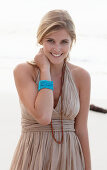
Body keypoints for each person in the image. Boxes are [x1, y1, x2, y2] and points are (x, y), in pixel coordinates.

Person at [10, 9, 91, 170]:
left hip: (70, 158)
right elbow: (44, 116)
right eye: (50, 40)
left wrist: (88, 167)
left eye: (64, 42)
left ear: (72, 42)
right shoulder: (23, 71)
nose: (57, 48)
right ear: (40, 40)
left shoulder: (81, 77)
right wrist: (45, 70)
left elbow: (81, 129)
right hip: (33, 157)